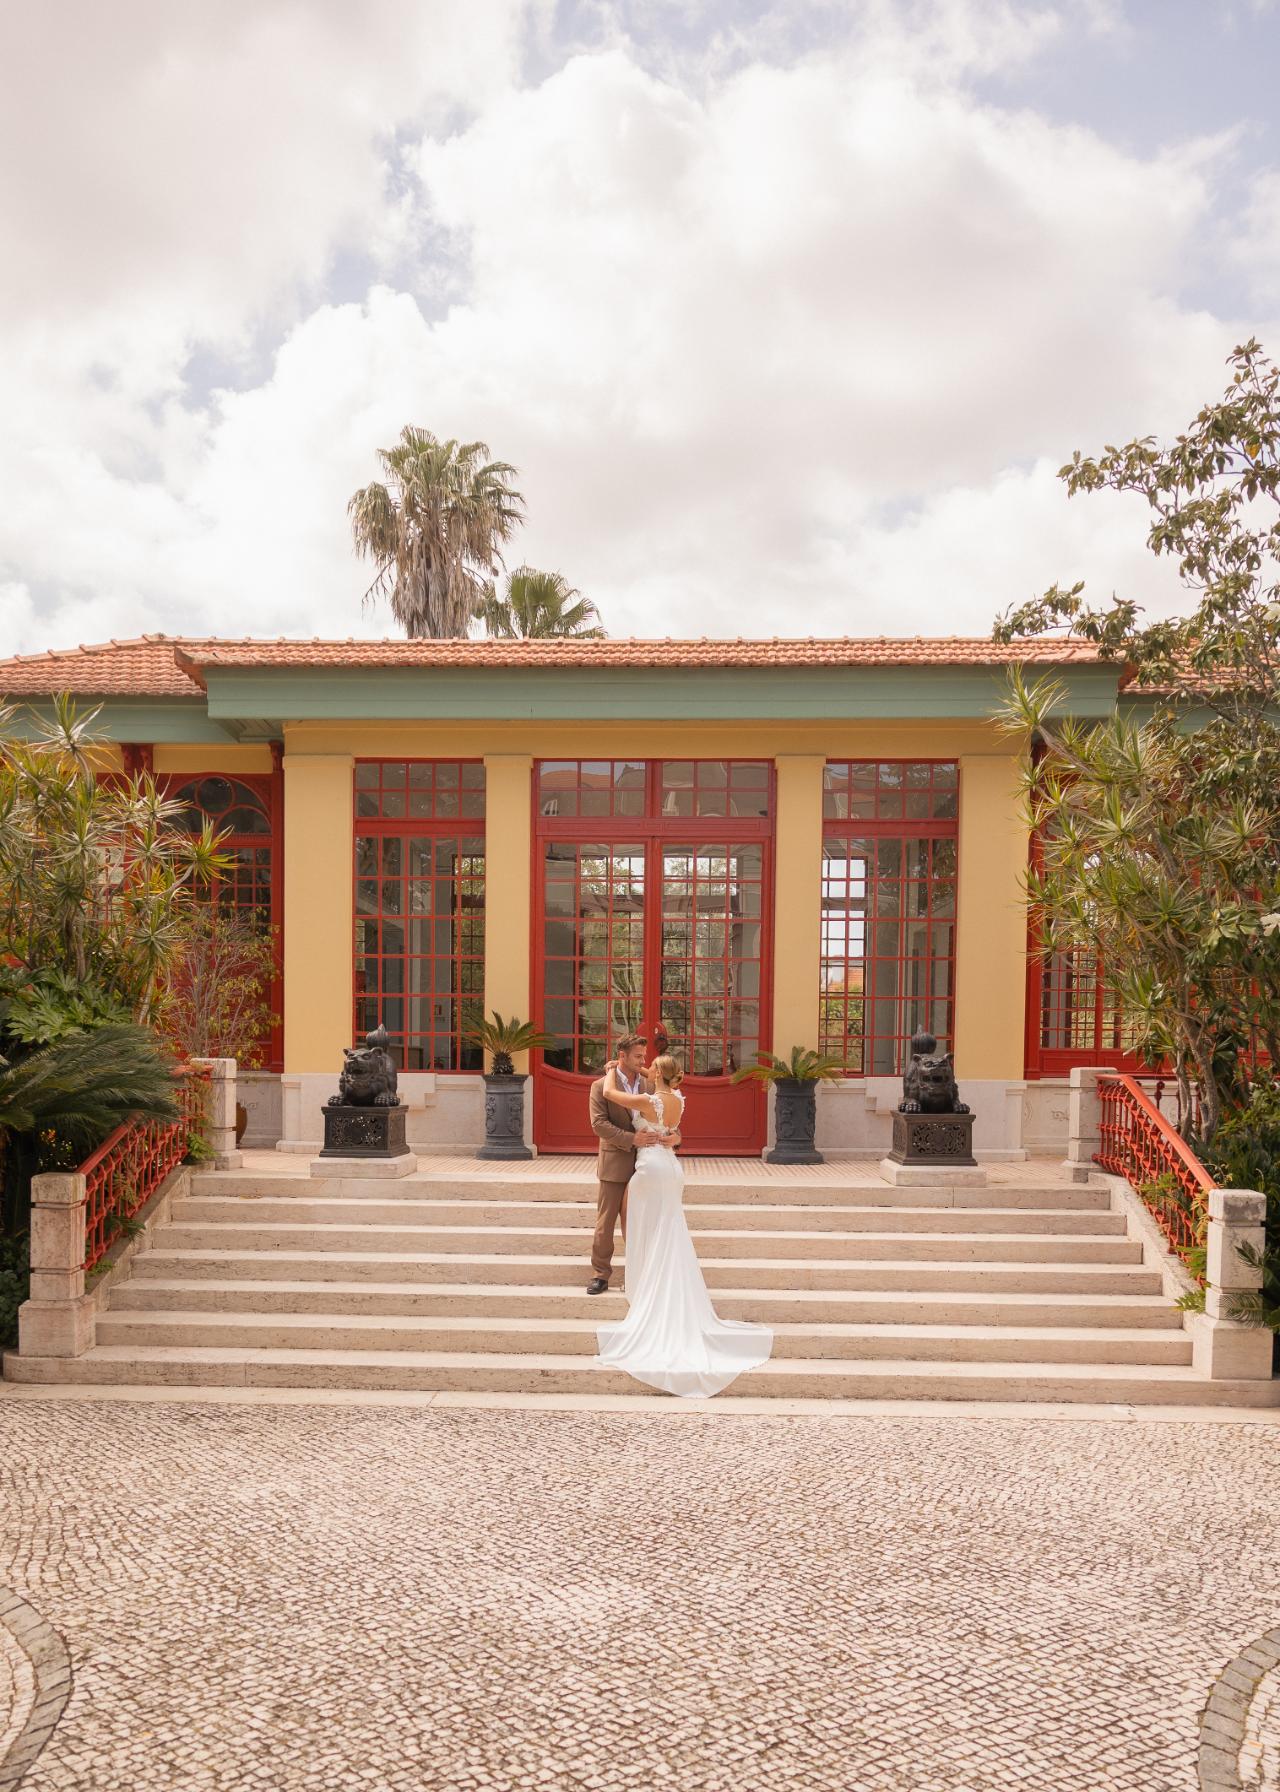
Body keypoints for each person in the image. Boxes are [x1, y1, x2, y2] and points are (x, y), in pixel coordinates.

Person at [594, 1053, 773, 1397]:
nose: (645, 1069)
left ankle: (646, 1289)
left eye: (650, 1067)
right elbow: (670, 1121)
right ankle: (652, 1283)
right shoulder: (677, 1099)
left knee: (647, 1228)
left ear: (657, 1073)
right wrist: (636, 1068)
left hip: (651, 1169)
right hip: (671, 1168)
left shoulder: (649, 1101)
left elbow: (611, 1094)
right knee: (668, 1230)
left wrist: (614, 1069)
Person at [585, 1033, 677, 1296]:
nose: (642, 1061)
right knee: (606, 1221)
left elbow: (668, 1117)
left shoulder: (651, 1084)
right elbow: (599, 1124)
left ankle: (641, 1274)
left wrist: (676, 1138)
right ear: (621, 1056)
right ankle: (600, 1274)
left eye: (644, 1056)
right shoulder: (600, 1086)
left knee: (642, 1220)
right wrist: (631, 1139)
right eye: (637, 1056)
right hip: (615, 1161)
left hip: (648, 1164)